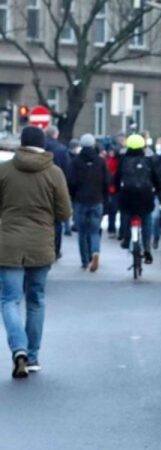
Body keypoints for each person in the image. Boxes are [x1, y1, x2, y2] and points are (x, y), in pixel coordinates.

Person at [0, 127, 72, 378]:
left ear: (21, 143)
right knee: (36, 299)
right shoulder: (54, 173)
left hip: (8, 243)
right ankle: (32, 357)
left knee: (9, 300)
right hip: (41, 243)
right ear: (44, 144)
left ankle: (18, 349)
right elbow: (64, 212)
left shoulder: (4, 170)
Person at [114, 134, 161, 263]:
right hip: (145, 196)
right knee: (146, 220)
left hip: (128, 195)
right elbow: (155, 177)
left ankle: (126, 238)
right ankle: (147, 248)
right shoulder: (148, 160)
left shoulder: (123, 160)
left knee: (126, 215)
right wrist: (158, 190)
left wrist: (117, 191)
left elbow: (117, 178)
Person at [68, 133, 111, 272]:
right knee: (94, 231)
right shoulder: (100, 162)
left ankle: (85, 260)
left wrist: (73, 196)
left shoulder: (75, 161)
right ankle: (95, 251)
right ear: (93, 145)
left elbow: (71, 182)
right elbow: (107, 181)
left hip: (80, 200)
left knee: (82, 232)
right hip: (97, 200)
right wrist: (104, 197)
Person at [43, 126, 71, 256]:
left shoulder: (41, 148)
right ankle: (56, 249)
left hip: (41, 186)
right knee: (57, 221)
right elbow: (67, 170)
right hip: (57, 186)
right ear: (56, 134)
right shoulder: (62, 149)